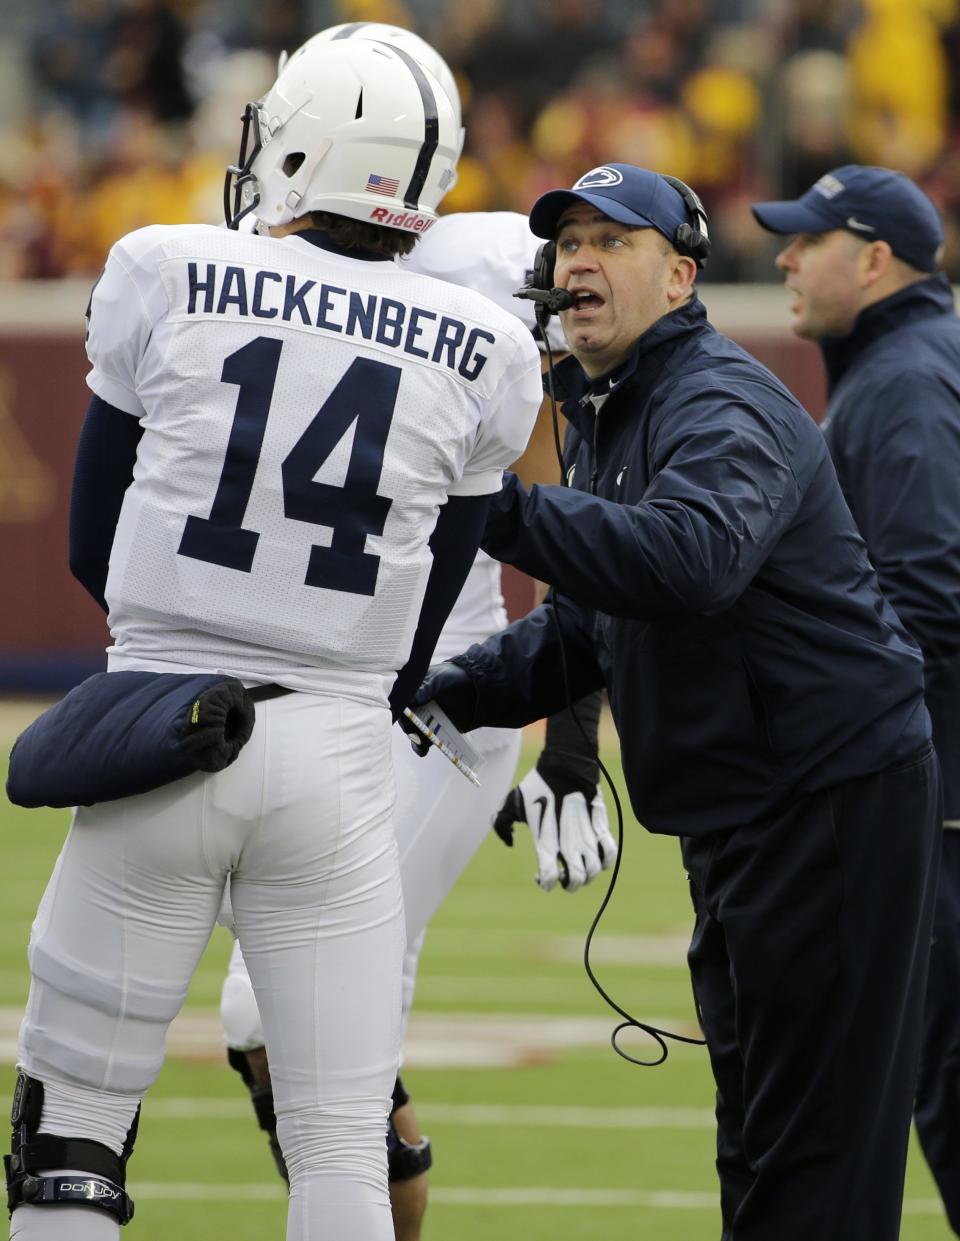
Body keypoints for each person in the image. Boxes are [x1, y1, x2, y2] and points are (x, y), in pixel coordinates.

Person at [5, 39, 544, 1241]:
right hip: (343, 759)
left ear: (303, 141)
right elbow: (434, 600)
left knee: (75, 1127)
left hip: (159, 730)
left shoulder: (166, 267)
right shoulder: (488, 349)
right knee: (340, 1143)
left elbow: (94, 544)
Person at [407, 162, 944, 1240]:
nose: (581, 262)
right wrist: (438, 695)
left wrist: (489, 505)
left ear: (681, 275)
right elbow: (590, 621)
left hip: (823, 799)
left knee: (814, 1150)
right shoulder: (614, 403)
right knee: (758, 1137)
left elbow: (690, 560)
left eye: (613, 241)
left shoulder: (716, 395)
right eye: (568, 245)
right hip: (751, 805)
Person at [219, 205, 617, 1241]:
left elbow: (564, 539)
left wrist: (566, 745)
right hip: (323, 688)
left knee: (274, 1009)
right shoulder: (259, 278)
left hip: (443, 701)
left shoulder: (477, 274)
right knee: (290, 1034)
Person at [752, 164, 960, 1236]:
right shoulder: (911, 364)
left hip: (937, 804)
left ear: (873, 258)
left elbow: (924, 593)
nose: (784, 257)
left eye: (808, 239)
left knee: (949, 1093)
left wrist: (850, 755)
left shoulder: (902, 382)